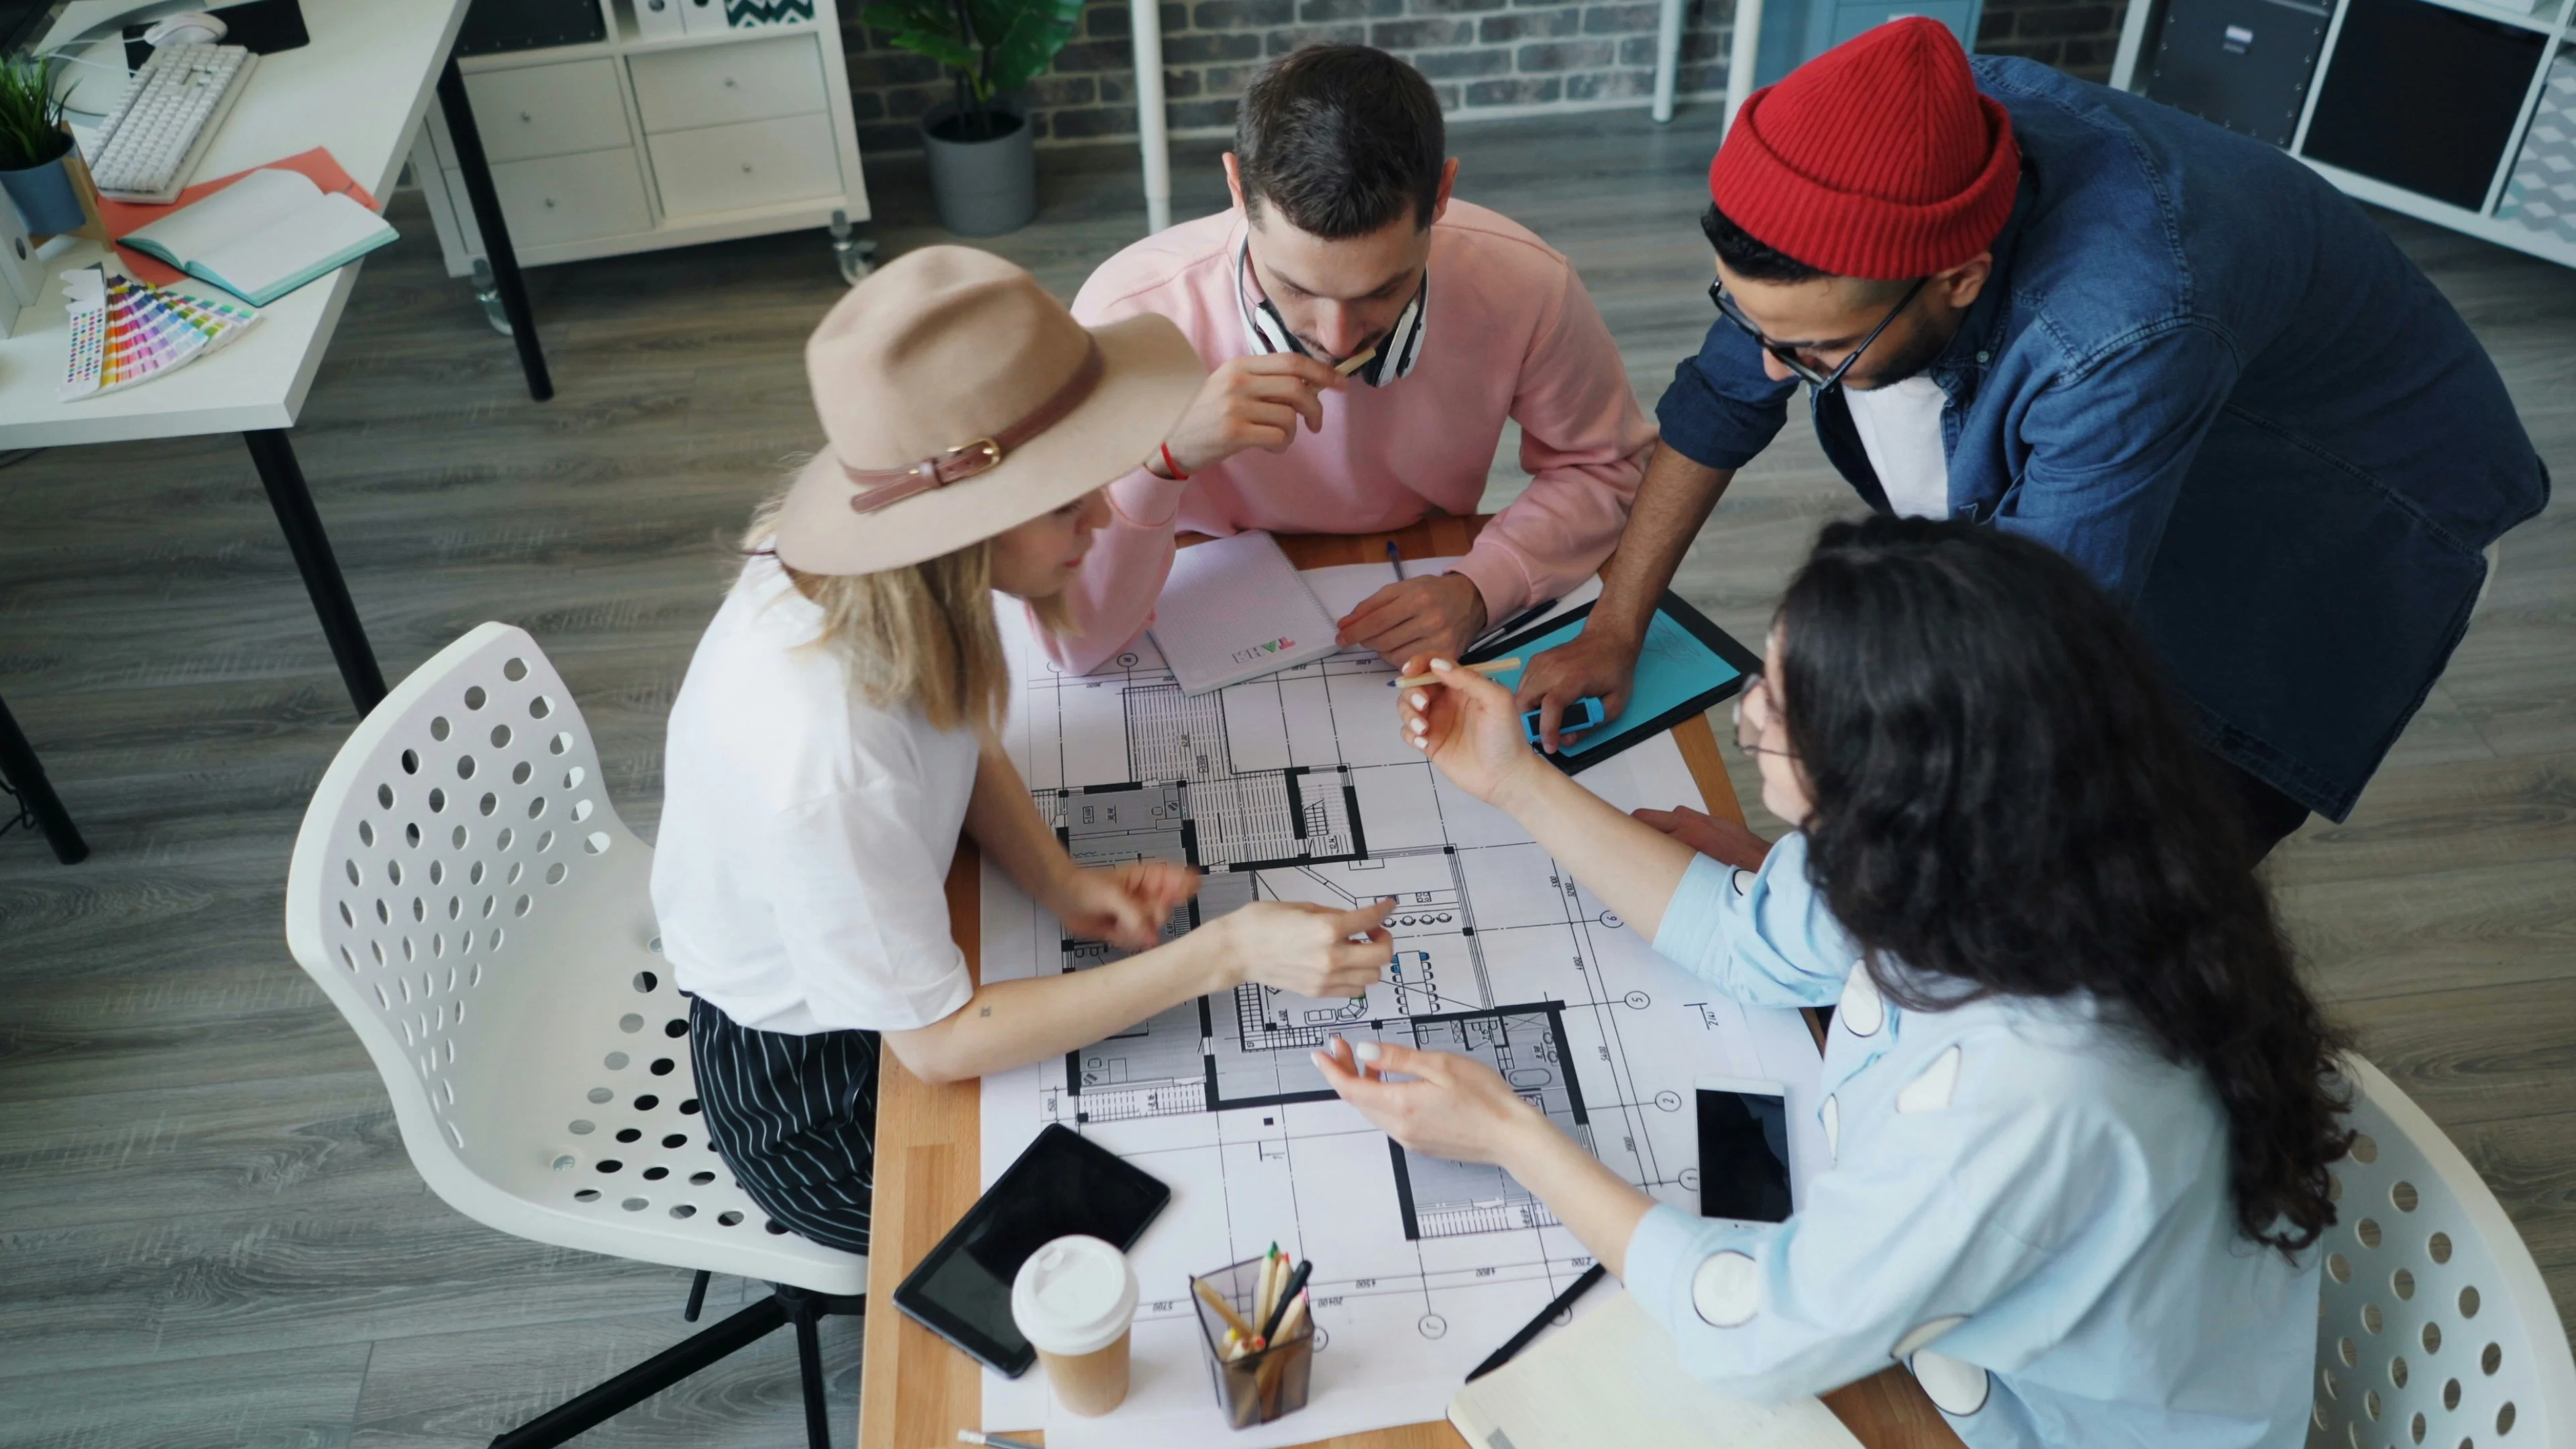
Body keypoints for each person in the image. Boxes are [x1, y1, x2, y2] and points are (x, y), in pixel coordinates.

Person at [1322, 516, 2351, 1446]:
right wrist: (1514, 778)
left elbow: (1762, 1330)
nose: (1749, 713)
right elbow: (1749, 935)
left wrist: (1509, 1134)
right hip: (1973, 1349)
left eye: (1782, 703)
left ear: (1892, 771)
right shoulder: (2008, 837)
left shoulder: (2043, 1090)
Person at [1513, 19, 2548, 856]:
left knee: (2144, 859)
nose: (1774, 367)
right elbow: (1720, 397)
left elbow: (2016, 646)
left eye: (1817, 349)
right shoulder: (1874, 174)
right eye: (1753, 322)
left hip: (2347, 492)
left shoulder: (2123, 327)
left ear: (1959, 274)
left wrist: (1812, 868)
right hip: (2203, 380)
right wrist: (1614, 626)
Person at [649, 248, 1397, 1253]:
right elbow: (940, 1045)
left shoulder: (900, 588)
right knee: (1168, 1223)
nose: (1100, 515)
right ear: (965, 526)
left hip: (892, 952)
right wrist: (1226, 952)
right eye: (1063, 501)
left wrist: (1056, 879)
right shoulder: (829, 758)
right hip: (823, 1092)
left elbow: (956, 734)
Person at [1051, 43, 1656, 675]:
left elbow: (1606, 470)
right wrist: (1159, 464)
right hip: (1191, 604)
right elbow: (1076, 641)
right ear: (1237, 187)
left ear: (1443, 194)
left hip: (1414, 572)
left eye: (1383, 289)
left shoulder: (1527, 285)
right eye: (1296, 288)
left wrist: (1482, 588)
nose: (1338, 339)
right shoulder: (1124, 314)